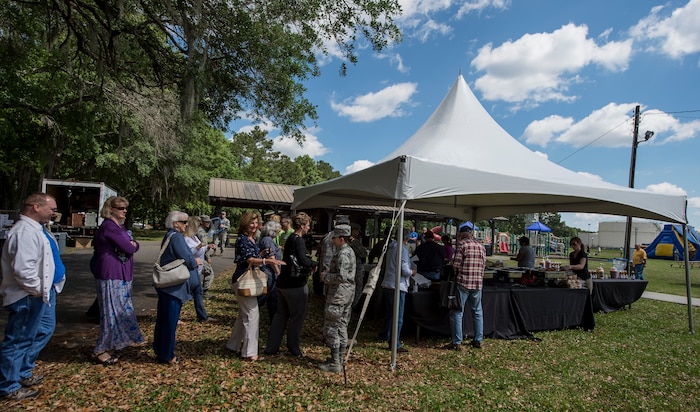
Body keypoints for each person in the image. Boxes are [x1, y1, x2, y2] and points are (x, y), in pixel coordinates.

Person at [0, 193, 66, 400]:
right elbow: (23, 270)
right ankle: (8, 385)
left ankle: (22, 371)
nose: (55, 213)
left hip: (44, 293)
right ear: (36, 207)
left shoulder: (38, 229)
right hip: (29, 295)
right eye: (52, 209)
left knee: (43, 330)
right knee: (19, 339)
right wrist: (38, 290)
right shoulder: (24, 232)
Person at [91, 196, 144, 366]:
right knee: (110, 313)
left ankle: (112, 343)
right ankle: (100, 349)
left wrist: (133, 244)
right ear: (110, 209)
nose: (124, 211)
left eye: (125, 208)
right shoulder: (109, 227)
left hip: (121, 274)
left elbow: (131, 245)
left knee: (120, 311)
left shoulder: (118, 227)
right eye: (120, 208)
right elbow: (129, 247)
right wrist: (133, 244)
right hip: (110, 274)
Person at [225, 212, 283, 361]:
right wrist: (267, 261)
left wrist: (262, 253)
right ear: (245, 223)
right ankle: (249, 353)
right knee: (252, 315)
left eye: (256, 223)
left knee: (243, 315)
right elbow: (249, 259)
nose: (255, 226)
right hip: (243, 279)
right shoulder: (243, 239)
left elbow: (253, 255)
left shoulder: (252, 239)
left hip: (247, 279)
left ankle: (233, 345)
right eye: (252, 223)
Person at [265, 212, 317, 357]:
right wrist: (315, 264)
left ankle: (271, 347)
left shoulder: (289, 239)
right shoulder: (298, 240)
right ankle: (293, 347)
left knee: (280, 315)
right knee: (296, 317)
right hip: (295, 285)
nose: (309, 228)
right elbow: (303, 260)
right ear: (302, 225)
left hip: (282, 283)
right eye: (307, 225)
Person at [152, 211, 202, 364]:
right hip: (173, 287)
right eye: (184, 222)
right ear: (175, 223)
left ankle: (160, 349)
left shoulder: (168, 236)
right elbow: (188, 257)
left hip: (166, 285)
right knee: (170, 322)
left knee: (163, 319)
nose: (186, 225)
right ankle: (167, 355)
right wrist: (196, 262)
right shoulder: (177, 237)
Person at [317, 224, 356, 373]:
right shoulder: (348, 251)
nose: (332, 240)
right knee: (341, 326)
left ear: (341, 238)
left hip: (339, 295)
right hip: (346, 294)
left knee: (332, 327)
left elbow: (341, 276)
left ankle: (335, 362)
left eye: (334, 238)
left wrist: (325, 276)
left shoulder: (343, 254)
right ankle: (338, 360)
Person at [445, 224, 486, 351]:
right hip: (477, 283)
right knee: (477, 312)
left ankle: (457, 341)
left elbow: (456, 265)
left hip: (463, 282)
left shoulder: (462, 245)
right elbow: (484, 264)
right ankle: (478, 339)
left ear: (461, 235)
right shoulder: (481, 246)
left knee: (457, 312)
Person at [377, 228, 415, 353]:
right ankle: (395, 343)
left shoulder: (391, 247)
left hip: (388, 283)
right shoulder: (403, 250)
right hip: (398, 285)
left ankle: (384, 334)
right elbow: (404, 270)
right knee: (397, 316)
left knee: (389, 312)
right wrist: (412, 272)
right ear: (407, 238)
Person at [183, 215, 214, 323]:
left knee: (198, 292)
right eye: (197, 225)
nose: (198, 227)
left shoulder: (194, 237)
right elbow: (187, 254)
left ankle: (202, 316)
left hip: (197, 270)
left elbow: (200, 249)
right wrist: (198, 247)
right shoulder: (186, 238)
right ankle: (174, 316)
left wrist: (207, 247)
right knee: (185, 294)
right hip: (189, 270)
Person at [316, 215, 350, 296]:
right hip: (332, 277)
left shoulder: (345, 237)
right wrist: (326, 276)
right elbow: (326, 259)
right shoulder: (330, 237)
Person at [258, 219, 282, 322]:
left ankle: (274, 320)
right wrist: (278, 272)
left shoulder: (267, 239)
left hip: (270, 273)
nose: (278, 233)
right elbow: (271, 258)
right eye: (277, 231)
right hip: (269, 273)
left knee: (273, 299)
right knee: (263, 297)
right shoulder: (268, 240)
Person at [348, 223, 368, 307]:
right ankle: (354, 305)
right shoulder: (354, 242)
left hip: (349, 268)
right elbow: (364, 253)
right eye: (357, 231)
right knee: (358, 286)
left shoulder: (343, 239)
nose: (358, 233)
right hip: (355, 267)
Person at [197, 215, 216, 298]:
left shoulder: (197, 230)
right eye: (206, 222)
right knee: (209, 273)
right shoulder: (201, 232)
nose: (208, 223)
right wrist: (207, 257)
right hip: (200, 257)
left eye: (209, 221)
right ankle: (205, 291)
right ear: (202, 222)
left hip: (196, 256)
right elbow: (203, 246)